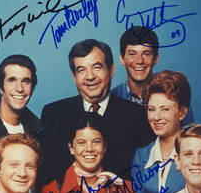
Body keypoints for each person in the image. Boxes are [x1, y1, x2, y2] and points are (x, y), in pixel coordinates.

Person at [41, 38, 154, 185]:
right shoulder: (53, 114)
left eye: (97, 67)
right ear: (74, 76)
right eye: (81, 70)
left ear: (111, 70)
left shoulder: (138, 116)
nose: (90, 77)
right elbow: (44, 177)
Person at [131, 70, 190, 193]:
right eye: (151, 109)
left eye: (165, 109)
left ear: (182, 113)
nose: (156, 117)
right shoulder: (141, 156)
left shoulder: (199, 151)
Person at [111, 26, 193, 125]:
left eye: (146, 54)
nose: (139, 61)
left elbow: (187, 134)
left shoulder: (174, 90)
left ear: (156, 58)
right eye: (132, 54)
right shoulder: (113, 97)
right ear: (121, 58)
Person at [0, 54, 43, 186]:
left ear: (32, 87)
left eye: (26, 81)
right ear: (1, 88)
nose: (19, 88)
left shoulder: (39, 130)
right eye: (12, 80)